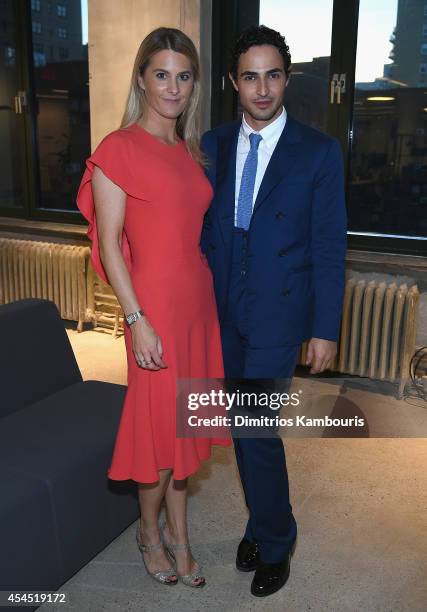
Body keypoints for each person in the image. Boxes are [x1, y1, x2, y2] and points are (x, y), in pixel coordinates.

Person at [77, 27, 230, 589]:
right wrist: (136, 320)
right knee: (158, 437)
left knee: (185, 431)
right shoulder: (119, 148)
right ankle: (149, 532)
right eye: (161, 74)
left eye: (183, 76)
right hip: (154, 310)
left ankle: (180, 536)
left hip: (196, 305)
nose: (173, 87)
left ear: (193, 85)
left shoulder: (188, 150)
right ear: (142, 78)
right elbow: (109, 243)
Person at [201, 25, 347, 598]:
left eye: (274, 75)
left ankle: (276, 539)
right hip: (220, 310)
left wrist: (324, 329)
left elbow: (330, 247)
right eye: (250, 76)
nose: (263, 89)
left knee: (256, 428)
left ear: (287, 78)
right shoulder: (210, 146)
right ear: (232, 82)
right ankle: (260, 520)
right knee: (242, 426)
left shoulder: (319, 151)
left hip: (279, 316)